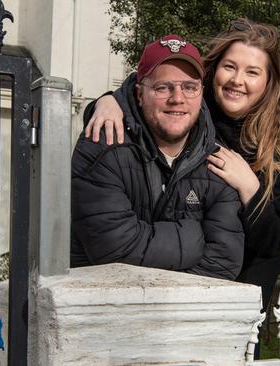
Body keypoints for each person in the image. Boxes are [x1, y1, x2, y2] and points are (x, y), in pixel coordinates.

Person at [85, 19, 280, 352]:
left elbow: (274, 239)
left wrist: (249, 186)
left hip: (239, 302)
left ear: (269, 82)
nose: (236, 81)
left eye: (252, 72)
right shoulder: (196, 112)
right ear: (212, 71)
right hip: (174, 282)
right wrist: (107, 100)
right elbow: (148, 95)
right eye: (229, 67)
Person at [71, 34, 245, 281]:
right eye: (163, 87)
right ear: (140, 94)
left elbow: (223, 262)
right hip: (103, 310)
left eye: (189, 87)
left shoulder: (218, 164)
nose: (177, 98)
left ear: (201, 93)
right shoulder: (103, 145)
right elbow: (113, 247)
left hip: (182, 315)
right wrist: (194, 239)